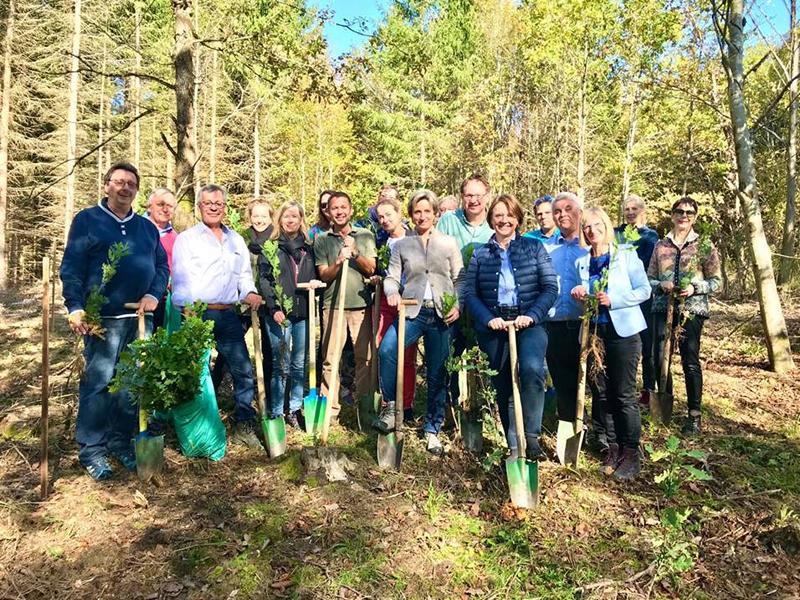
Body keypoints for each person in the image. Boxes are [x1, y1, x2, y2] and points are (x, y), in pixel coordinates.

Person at [60, 162, 168, 480]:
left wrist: (153, 295)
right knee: (99, 383)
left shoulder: (147, 228)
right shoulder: (88, 220)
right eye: (118, 182)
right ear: (107, 185)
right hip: (101, 321)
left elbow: (161, 266)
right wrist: (75, 305)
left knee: (130, 386)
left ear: (137, 190)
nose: (124, 187)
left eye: (131, 183)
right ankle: (92, 450)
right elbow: (72, 266)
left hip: (139, 318)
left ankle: (122, 442)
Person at [463, 194, 558, 459]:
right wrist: (487, 318)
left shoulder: (533, 248)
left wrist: (532, 315)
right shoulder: (482, 253)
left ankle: (532, 437)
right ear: (491, 219)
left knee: (531, 370)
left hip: (528, 323)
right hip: (495, 325)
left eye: (509, 215)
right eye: (498, 215)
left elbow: (550, 287)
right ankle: (513, 443)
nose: (504, 220)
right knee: (502, 384)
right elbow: (470, 293)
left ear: (518, 218)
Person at [171, 184, 264, 448]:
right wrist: (185, 307)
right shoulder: (187, 239)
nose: (214, 207)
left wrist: (250, 293)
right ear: (199, 206)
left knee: (243, 370)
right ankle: (194, 425)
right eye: (208, 202)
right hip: (197, 314)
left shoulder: (235, 240)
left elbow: (244, 276)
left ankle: (244, 421)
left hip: (228, 314)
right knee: (193, 372)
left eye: (219, 203)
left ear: (225, 207)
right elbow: (180, 279)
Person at [376, 190, 463, 455]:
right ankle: (391, 406)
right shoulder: (402, 245)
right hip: (412, 312)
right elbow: (392, 277)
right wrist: (392, 292)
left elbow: (461, 278)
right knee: (388, 349)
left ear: (436, 214)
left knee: (438, 372)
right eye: (417, 212)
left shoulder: (448, 243)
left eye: (427, 211)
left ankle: (432, 429)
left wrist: (457, 304)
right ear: (411, 215)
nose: (422, 216)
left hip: (441, 314)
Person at [571, 206, 650, 479]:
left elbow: (644, 290)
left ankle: (631, 453)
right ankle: (613, 447)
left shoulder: (625, 256)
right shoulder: (582, 261)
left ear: (606, 227)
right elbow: (582, 292)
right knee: (601, 393)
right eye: (587, 227)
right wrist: (579, 293)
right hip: (594, 335)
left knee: (624, 394)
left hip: (623, 334)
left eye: (597, 226)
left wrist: (615, 300)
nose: (592, 231)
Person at [648, 196, 721, 436]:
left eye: (689, 212)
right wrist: (662, 284)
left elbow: (717, 281)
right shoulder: (661, 245)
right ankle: (663, 405)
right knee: (660, 359)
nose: (684, 216)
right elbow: (648, 279)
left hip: (692, 310)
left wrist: (695, 288)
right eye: (680, 211)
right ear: (672, 214)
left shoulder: (704, 245)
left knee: (689, 360)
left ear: (695, 217)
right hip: (663, 308)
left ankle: (694, 414)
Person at [314, 191, 377, 424]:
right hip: (333, 307)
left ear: (350, 210)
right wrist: (339, 261)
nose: (339, 212)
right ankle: (329, 411)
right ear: (328, 212)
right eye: (334, 208)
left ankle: (365, 410)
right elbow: (324, 275)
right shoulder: (322, 239)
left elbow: (371, 269)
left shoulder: (365, 236)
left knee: (366, 359)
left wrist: (356, 253)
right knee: (331, 359)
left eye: (343, 207)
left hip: (361, 306)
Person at [436, 174, 494, 413]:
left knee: (485, 352)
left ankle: (484, 403)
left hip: (484, 299)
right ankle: (450, 406)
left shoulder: (495, 223)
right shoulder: (449, 221)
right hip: (452, 295)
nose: (473, 200)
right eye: (469, 195)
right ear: (462, 197)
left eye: (478, 195)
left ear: (487, 197)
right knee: (450, 351)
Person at [259, 200, 319, 429]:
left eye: (295, 216)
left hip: (303, 311)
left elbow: (315, 274)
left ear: (301, 220)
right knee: (280, 364)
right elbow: (264, 280)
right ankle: (276, 412)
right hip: (279, 314)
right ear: (280, 219)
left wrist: (314, 282)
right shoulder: (271, 247)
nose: (291, 220)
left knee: (299, 364)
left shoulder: (309, 248)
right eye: (287, 216)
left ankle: (294, 408)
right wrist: (274, 308)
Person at [543, 192, 589, 434]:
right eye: (557, 211)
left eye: (568, 209)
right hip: (555, 323)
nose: (562, 215)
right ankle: (569, 425)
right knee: (561, 379)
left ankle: (600, 431)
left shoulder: (590, 246)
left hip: (586, 324)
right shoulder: (546, 249)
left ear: (579, 212)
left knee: (591, 380)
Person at [373, 195, 417, 422]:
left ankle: (406, 404)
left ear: (399, 214)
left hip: (408, 303)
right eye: (380, 217)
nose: (385, 220)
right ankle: (388, 403)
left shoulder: (414, 238)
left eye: (388, 215)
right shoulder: (381, 241)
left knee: (406, 355)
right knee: (384, 351)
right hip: (386, 302)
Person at [614, 194, 660, 407]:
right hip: (618, 298)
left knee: (647, 345)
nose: (631, 212)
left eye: (634, 209)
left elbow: (649, 265)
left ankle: (648, 389)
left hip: (643, 297)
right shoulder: (616, 234)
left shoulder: (651, 236)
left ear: (642, 210)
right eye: (627, 209)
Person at [145, 187, 178, 329]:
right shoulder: (136, 228)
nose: (165, 209)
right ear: (149, 206)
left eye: (169, 206)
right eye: (160, 204)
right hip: (136, 300)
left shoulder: (175, 237)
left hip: (165, 301)